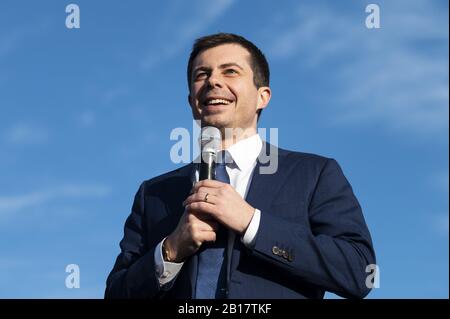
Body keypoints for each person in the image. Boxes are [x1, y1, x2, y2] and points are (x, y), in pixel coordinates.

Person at [105, 33, 376, 299]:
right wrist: (171, 250)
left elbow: (359, 271)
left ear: (263, 96)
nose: (213, 81)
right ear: (191, 102)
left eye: (230, 71)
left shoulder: (315, 174)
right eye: (202, 74)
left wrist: (251, 223)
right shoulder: (153, 193)